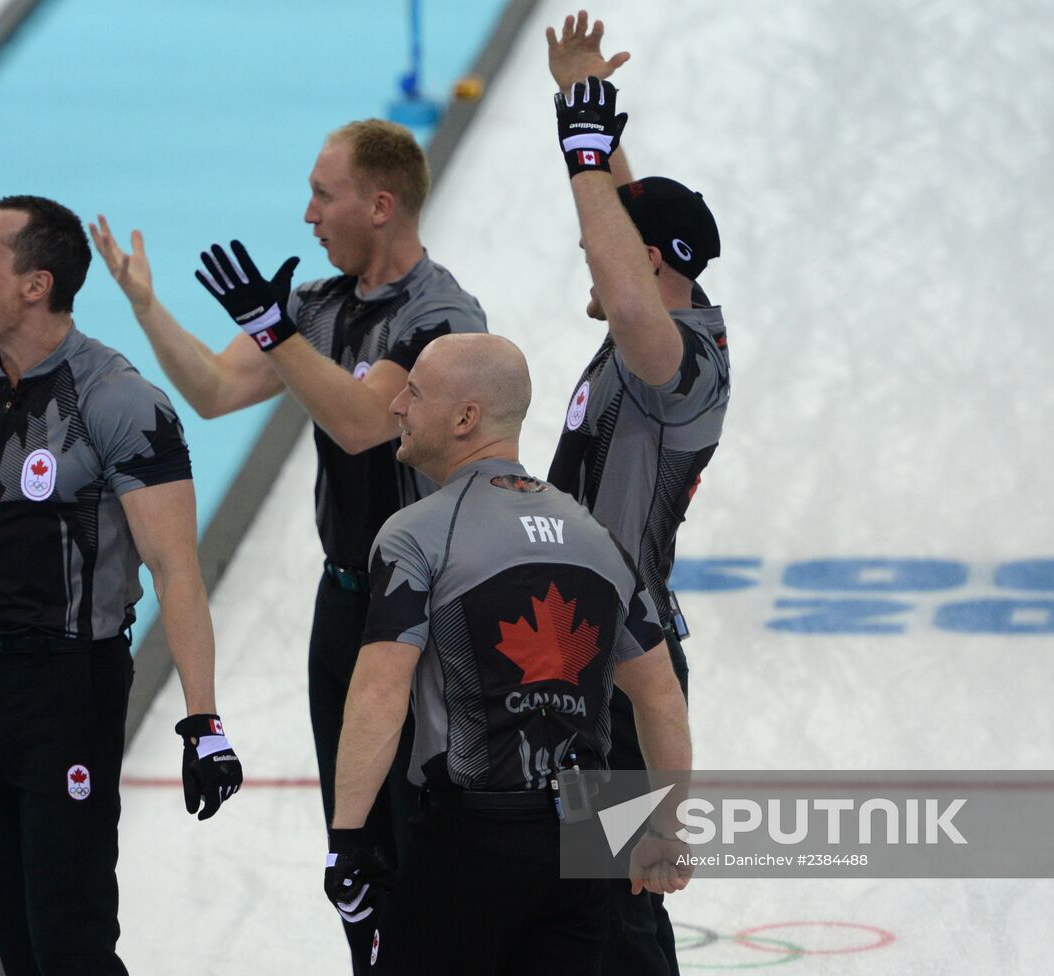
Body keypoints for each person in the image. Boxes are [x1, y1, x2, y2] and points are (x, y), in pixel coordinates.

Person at [88, 118, 486, 973]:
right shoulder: (319, 305)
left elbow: (360, 423)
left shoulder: (442, 316)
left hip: (426, 610)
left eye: (322, 194)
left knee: (424, 823)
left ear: (380, 206)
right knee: (351, 840)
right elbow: (216, 388)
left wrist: (278, 334)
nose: (306, 215)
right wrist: (147, 307)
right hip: (345, 599)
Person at [0, 196, 242, 975]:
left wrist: (204, 719)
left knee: (72, 937)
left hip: (70, 687)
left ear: (36, 285)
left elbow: (176, 569)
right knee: (20, 936)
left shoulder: (121, 402)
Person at [324, 333, 693, 976]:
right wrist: (664, 828)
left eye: (414, 392)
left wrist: (349, 840)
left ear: (465, 418)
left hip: (472, 838)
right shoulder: (595, 537)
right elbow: (660, 693)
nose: (396, 408)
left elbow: (379, 694)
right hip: (583, 837)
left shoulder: (417, 533)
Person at [547, 13, 731, 975]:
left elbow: (626, 284)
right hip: (582, 656)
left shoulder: (678, 360)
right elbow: (637, 226)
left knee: (614, 922)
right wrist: (592, 113)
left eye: (616, 242)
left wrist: (576, 142)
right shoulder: (668, 315)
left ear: (653, 261)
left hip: (619, 671)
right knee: (582, 911)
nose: (591, 248)